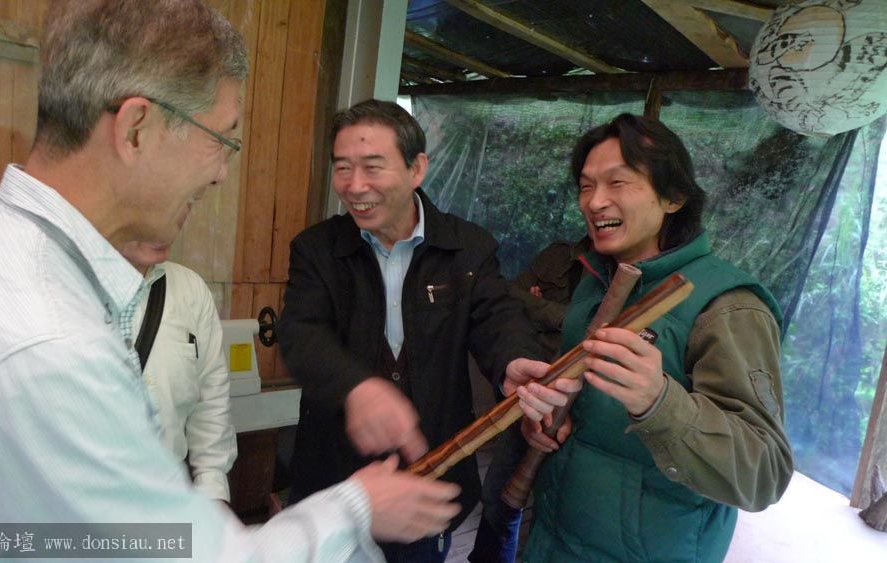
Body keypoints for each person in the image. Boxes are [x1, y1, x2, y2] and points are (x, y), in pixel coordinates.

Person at [0, 2, 467, 561]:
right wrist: (358, 507)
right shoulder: (49, 342)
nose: (221, 173)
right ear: (136, 129)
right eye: (222, 140)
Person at [277, 99, 581, 562]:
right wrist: (356, 389)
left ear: (416, 168)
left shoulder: (467, 248)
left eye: (372, 167)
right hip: (336, 481)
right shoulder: (317, 249)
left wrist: (514, 361)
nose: (354, 186)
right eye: (342, 168)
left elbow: (497, 316)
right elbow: (301, 334)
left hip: (431, 475)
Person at [521, 113, 794, 562]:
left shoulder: (728, 306)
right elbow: (588, 410)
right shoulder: (596, 278)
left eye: (618, 182)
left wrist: (659, 402)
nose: (595, 202)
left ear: (674, 197)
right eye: (586, 186)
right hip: (555, 538)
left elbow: (764, 474)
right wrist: (547, 417)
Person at [469, 236, 589, 563]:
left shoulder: (632, 271)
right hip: (533, 395)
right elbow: (509, 295)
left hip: (585, 411)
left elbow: (595, 334)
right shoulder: (558, 255)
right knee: (500, 494)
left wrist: (538, 309)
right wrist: (564, 318)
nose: (597, 209)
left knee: (558, 511)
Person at [121, 241, 236, 505]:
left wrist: (213, 491)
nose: (171, 226)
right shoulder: (63, 288)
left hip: (167, 499)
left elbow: (210, 401)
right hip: (77, 507)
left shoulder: (190, 290)